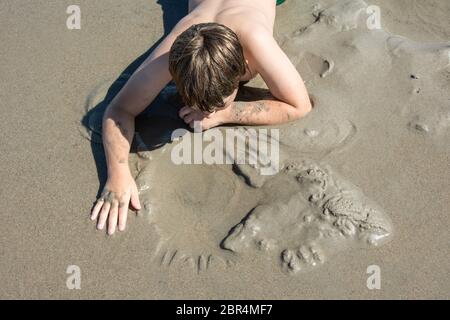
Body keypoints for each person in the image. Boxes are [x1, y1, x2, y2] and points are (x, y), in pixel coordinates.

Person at [91, 0, 312, 235]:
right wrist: (118, 173)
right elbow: (119, 110)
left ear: (242, 68)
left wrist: (225, 113)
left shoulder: (255, 40)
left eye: (216, 105)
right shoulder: (174, 52)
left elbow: (300, 105)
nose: (207, 113)